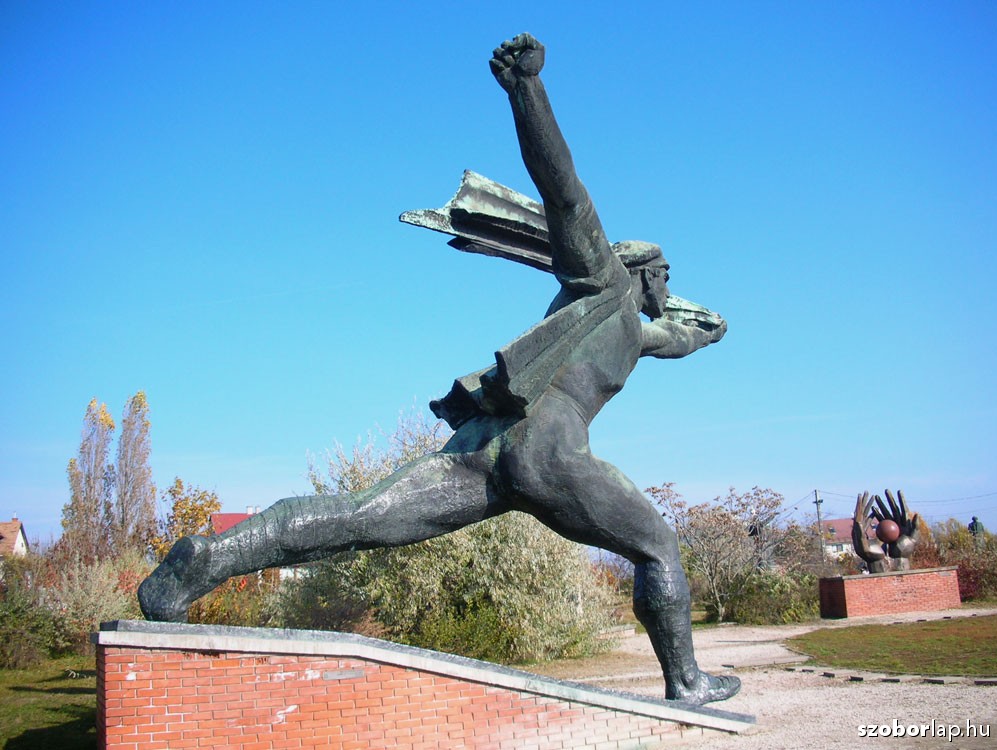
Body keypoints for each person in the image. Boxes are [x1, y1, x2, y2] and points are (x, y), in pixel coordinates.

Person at [138, 33, 737, 705]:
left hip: (487, 447)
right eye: (664, 275)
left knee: (360, 517)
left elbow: (682, 335)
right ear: (644, 271)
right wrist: (528, 90)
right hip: (550, 452)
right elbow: (565, 194)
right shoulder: (601, 279)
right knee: (657, 548)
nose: (668, 287)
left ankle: (209, 560)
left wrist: (705, 328)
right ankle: (686, 681)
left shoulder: (627, 330)